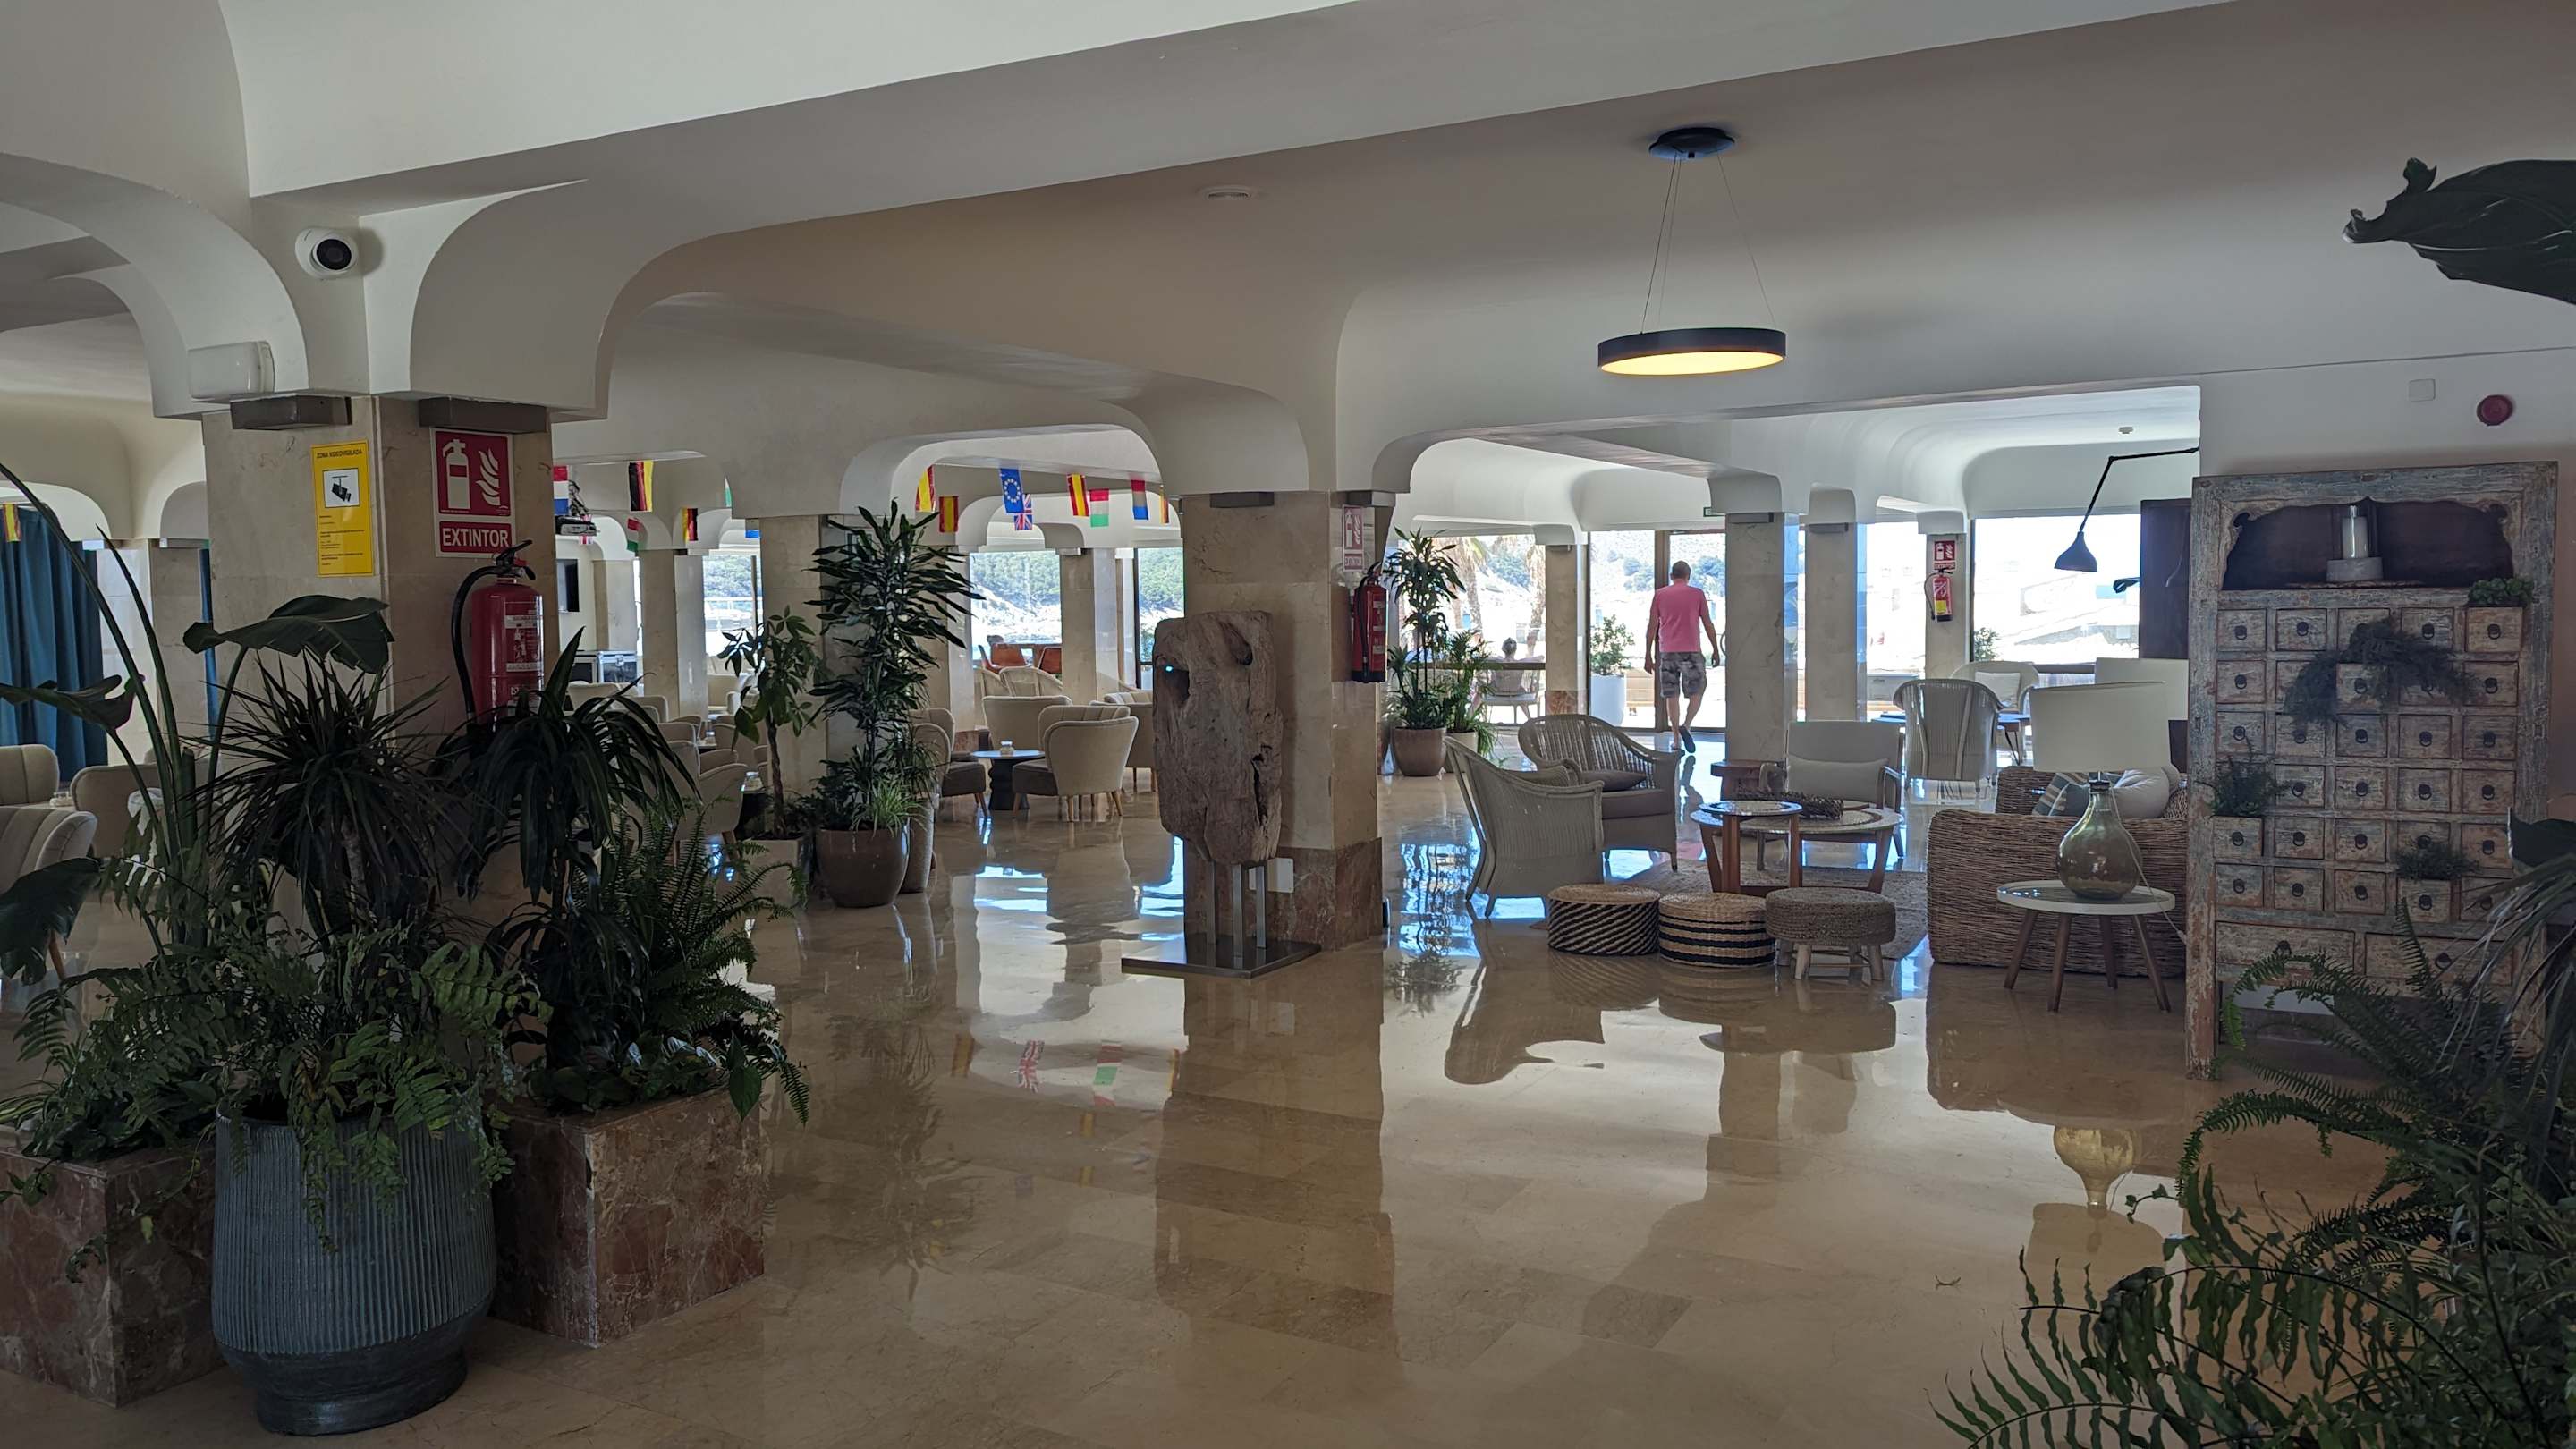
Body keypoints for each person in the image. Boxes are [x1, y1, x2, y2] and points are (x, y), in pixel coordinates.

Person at [1645, 560, 1723, 750]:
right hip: (1692, 651)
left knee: (1672, 695)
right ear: (1688, 576)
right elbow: (1708, 623)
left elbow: (1652, 626)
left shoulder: (1660, 595)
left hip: (1667, 652)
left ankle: (1676, 740)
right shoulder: (1697, 594)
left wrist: (1648, 654)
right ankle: (1686, 725)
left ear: (1672, 576)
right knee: (1698, 691)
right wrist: (1715, 648)